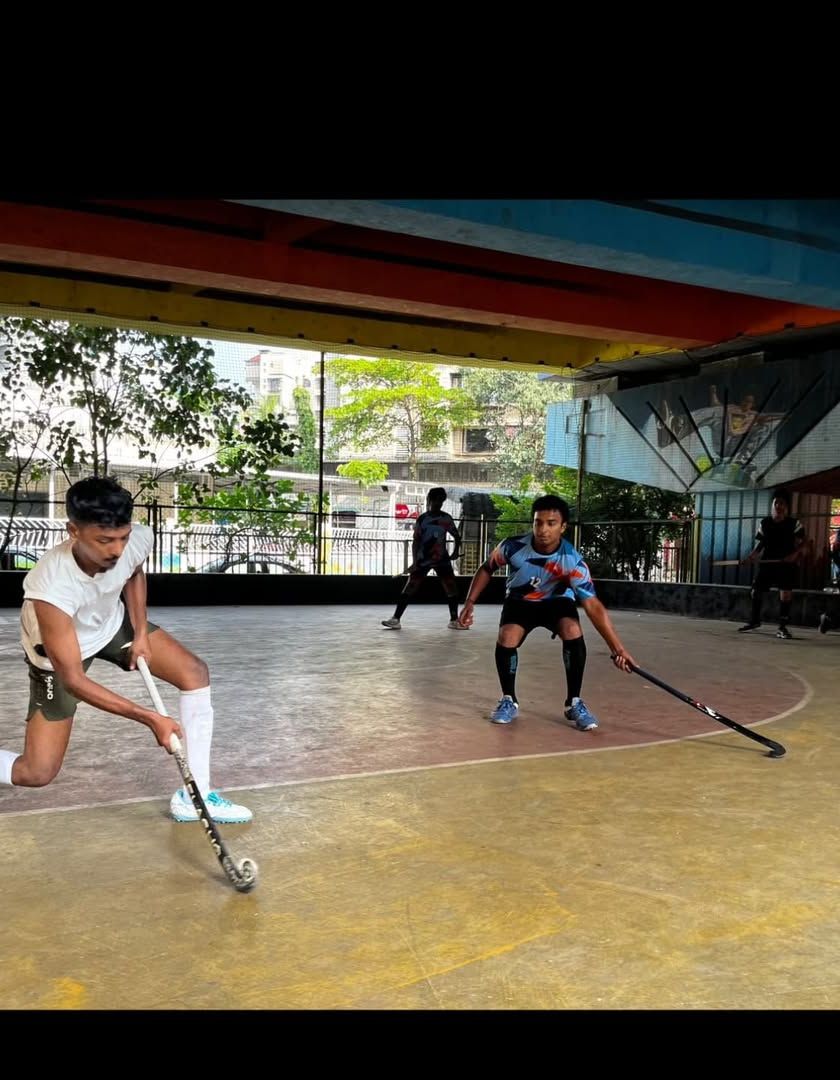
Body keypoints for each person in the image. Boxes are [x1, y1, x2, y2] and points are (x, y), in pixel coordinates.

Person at [0, 476, 252, 823]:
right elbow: (73, 679)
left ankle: (196, 796)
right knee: (37, 771)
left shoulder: (136, 540)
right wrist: (150, 718)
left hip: (111, 623)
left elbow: (133, 571)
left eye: (123, 537)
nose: (116, 550)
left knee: (194, 672)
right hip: (61, 651)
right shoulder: (51, 586)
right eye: (104, 540)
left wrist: (141, 632)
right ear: (73, 531)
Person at [456, 494, 636, 729]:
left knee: (572, 629)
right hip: (520, 601)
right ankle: (508, 699)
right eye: (538, 522)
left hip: (557, 601)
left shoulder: (572, 561)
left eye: (551, 523)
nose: (543, 530)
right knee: (507, 636)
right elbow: (486, 568)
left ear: (563, 527)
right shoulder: (513, 546)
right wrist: (470, 602)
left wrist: (618, 649)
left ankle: (574, 702)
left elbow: (593, 606)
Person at [382, 488, 465, 630]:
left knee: (451, 587)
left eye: (441, 501)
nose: (438, 503)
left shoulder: (446, 518)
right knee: (410, 586)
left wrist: (456, 551)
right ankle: (395, 619)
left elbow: (456, 536)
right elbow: (416, 541)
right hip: (423, 559)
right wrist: (415, 561)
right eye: (436, 500)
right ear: (430, 500)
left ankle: (454, 620)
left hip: (441, 559)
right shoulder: (423, 519)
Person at [737, 487, 805, 640]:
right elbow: (760, 545)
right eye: (776, 503)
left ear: (786, 507)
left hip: (786, 564)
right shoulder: (765, 523)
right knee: (756, 591)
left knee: (785, 594)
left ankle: (782, 627)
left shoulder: (794, 524)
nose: (778, 506)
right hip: (768, 562)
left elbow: (804, 544)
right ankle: (755, 621)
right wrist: (750, 557)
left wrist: (794, 555)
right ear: (772, 505)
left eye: (782, 503)